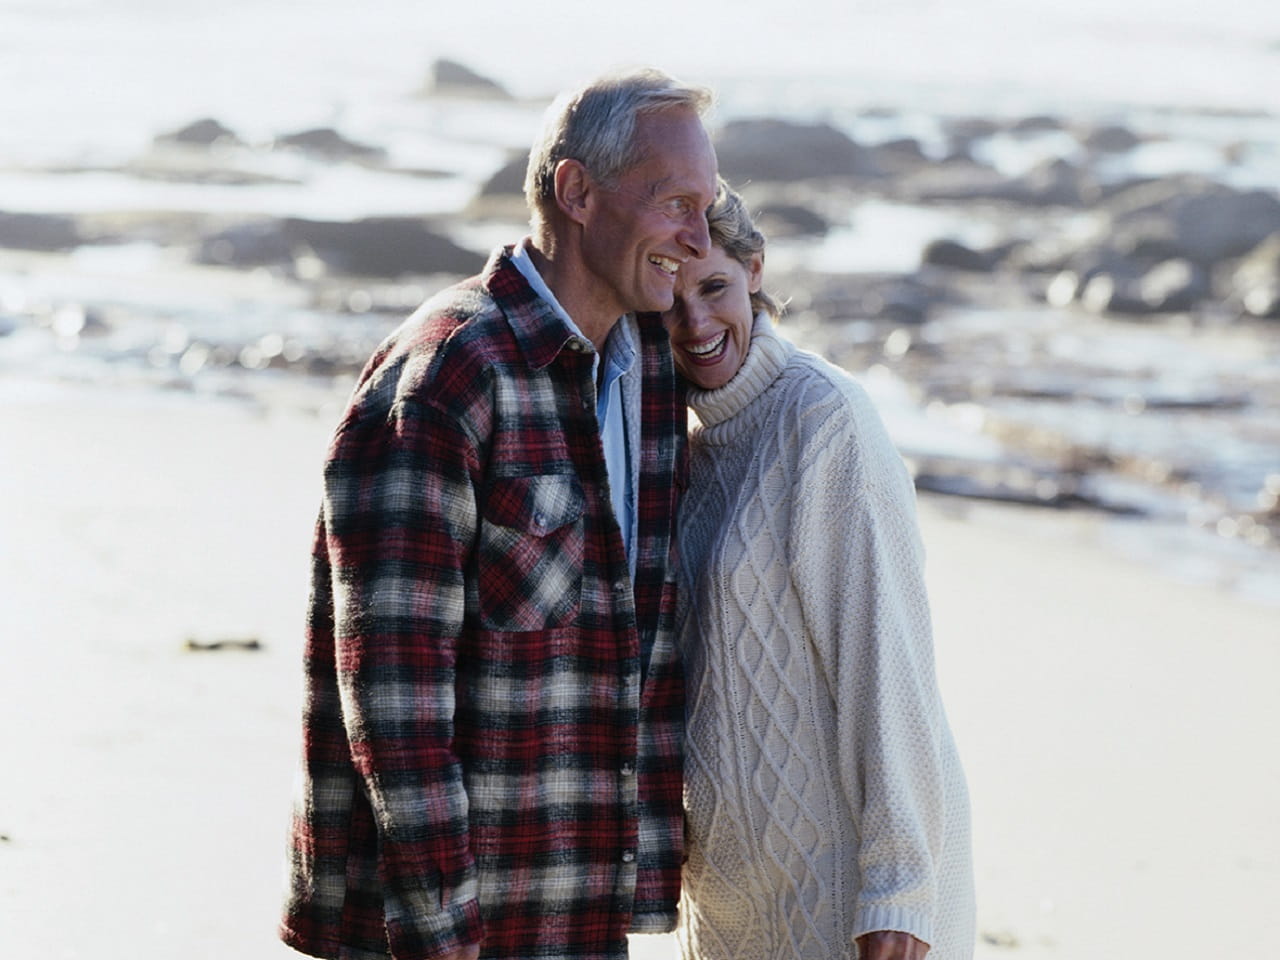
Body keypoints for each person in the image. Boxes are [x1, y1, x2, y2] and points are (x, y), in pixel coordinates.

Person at [279, 68, 718, 960]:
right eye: (675, 202)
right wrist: (446, 937)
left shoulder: (649, 369)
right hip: (438, 930)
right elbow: (393, 700)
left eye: (708, 208)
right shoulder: (446, 379)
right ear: (576, 191)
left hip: (577, 913)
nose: (697, 237)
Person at [661, 182, 975, 960]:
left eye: (713, 288)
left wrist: (898, 890)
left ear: (755, 272)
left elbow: (888, 664)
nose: (695, 323)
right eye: (667, 303)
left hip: (847, 890)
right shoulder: (679, 450)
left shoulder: (824, 420)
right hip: (735, 901)